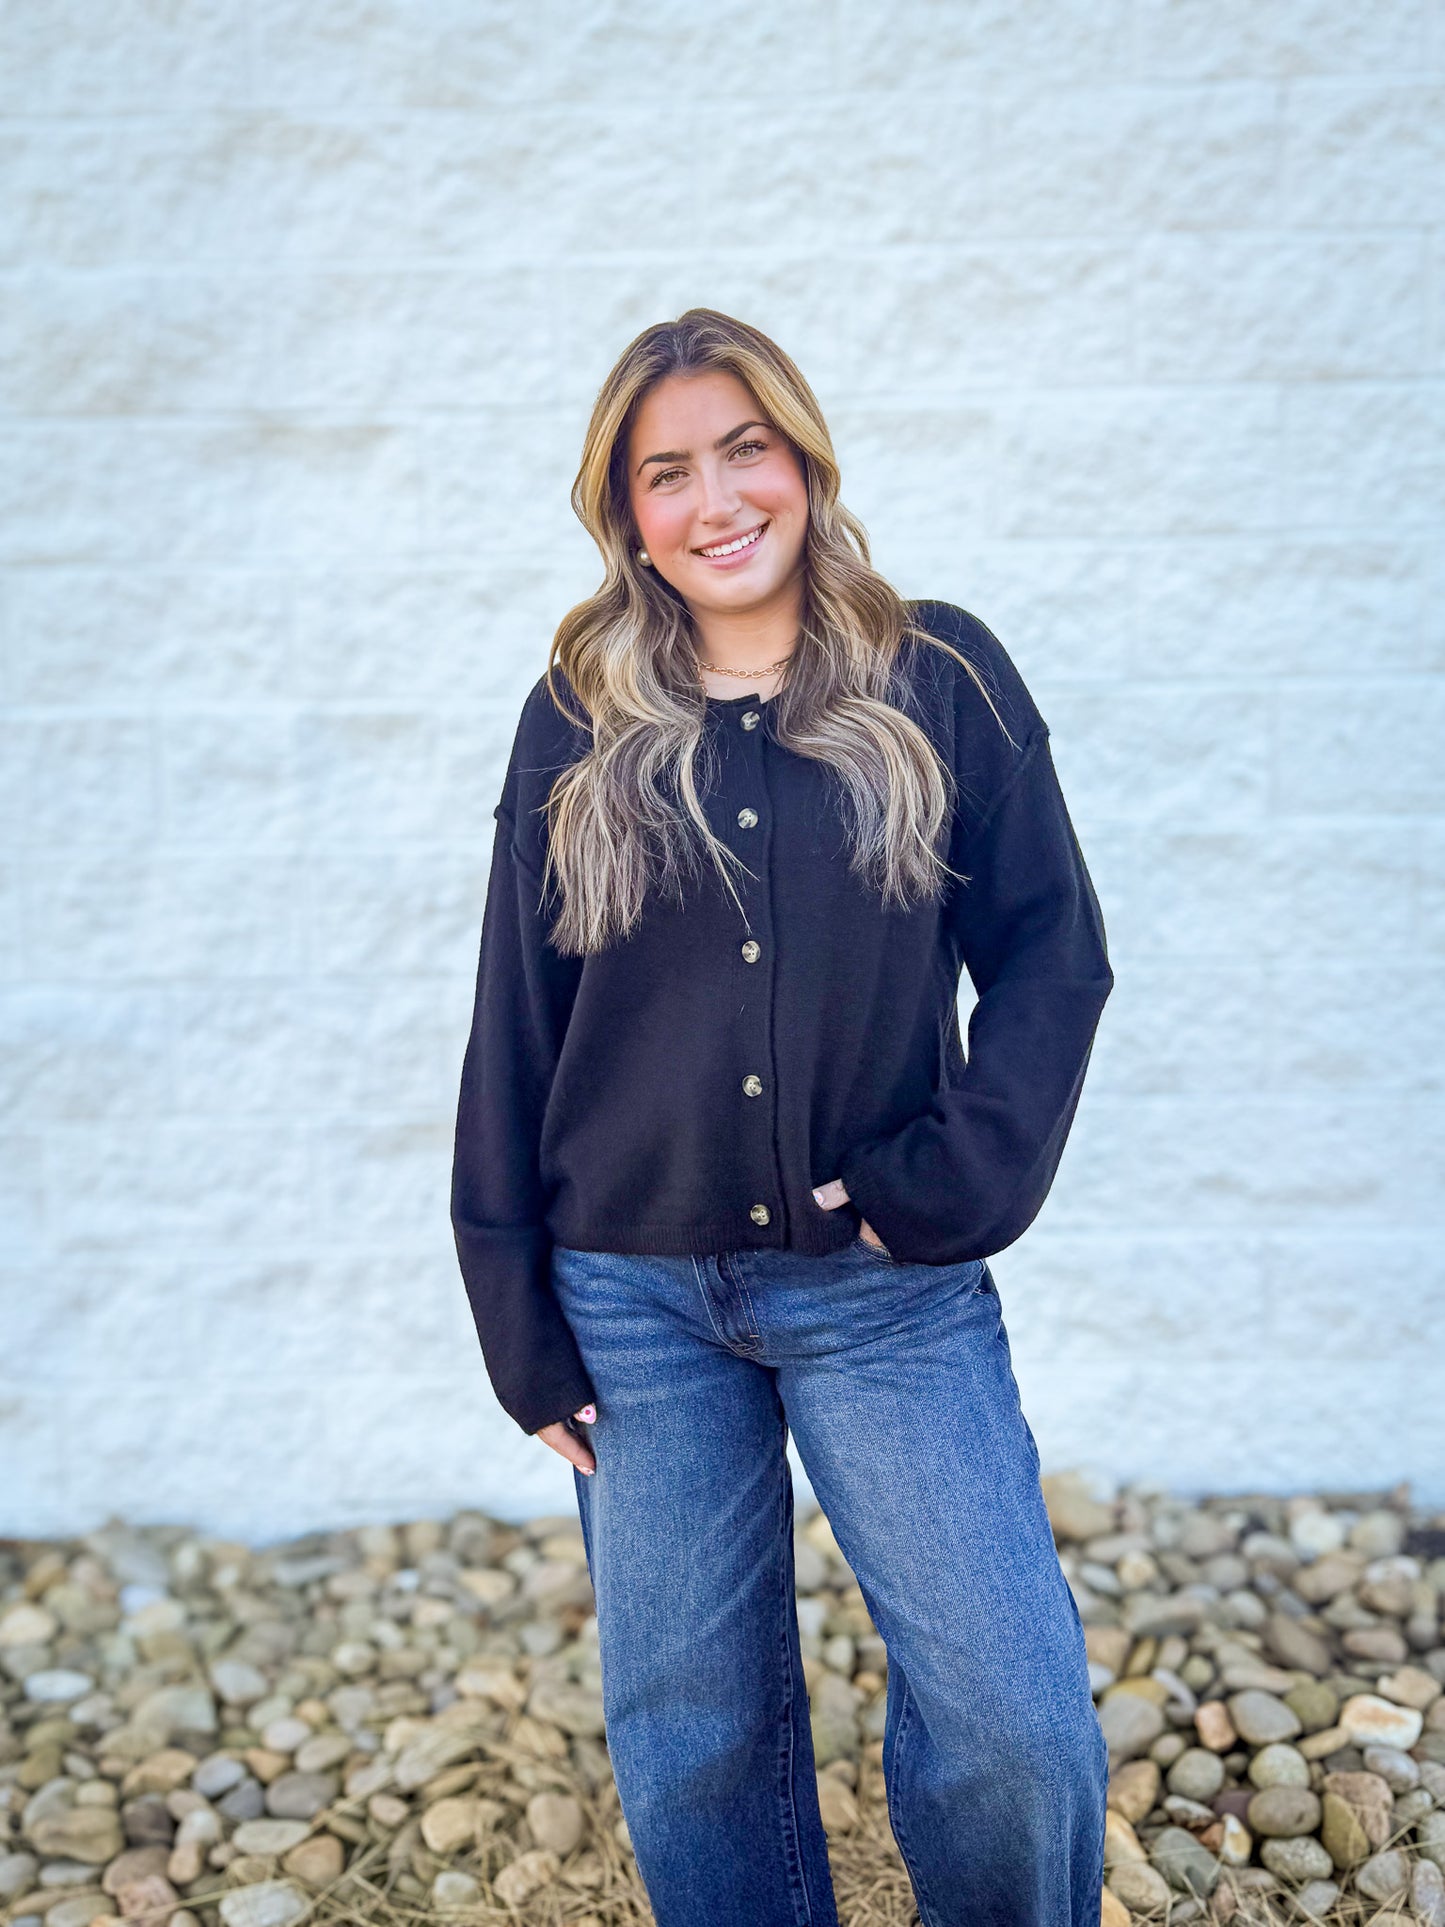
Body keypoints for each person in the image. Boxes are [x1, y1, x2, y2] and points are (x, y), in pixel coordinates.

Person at [449, 308, 1115, 1927]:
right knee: (692, 1741)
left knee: (1017, 1722)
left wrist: (936, 1189)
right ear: (627, 515)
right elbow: (517, 1017)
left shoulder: (938, 674)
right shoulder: (577, 712)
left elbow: (1051, 959)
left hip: (884, 1296)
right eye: (666, 472)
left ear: (802, 459)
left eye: (743, 449)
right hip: (629, 1302)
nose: (715, 498)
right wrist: (512, 1307)